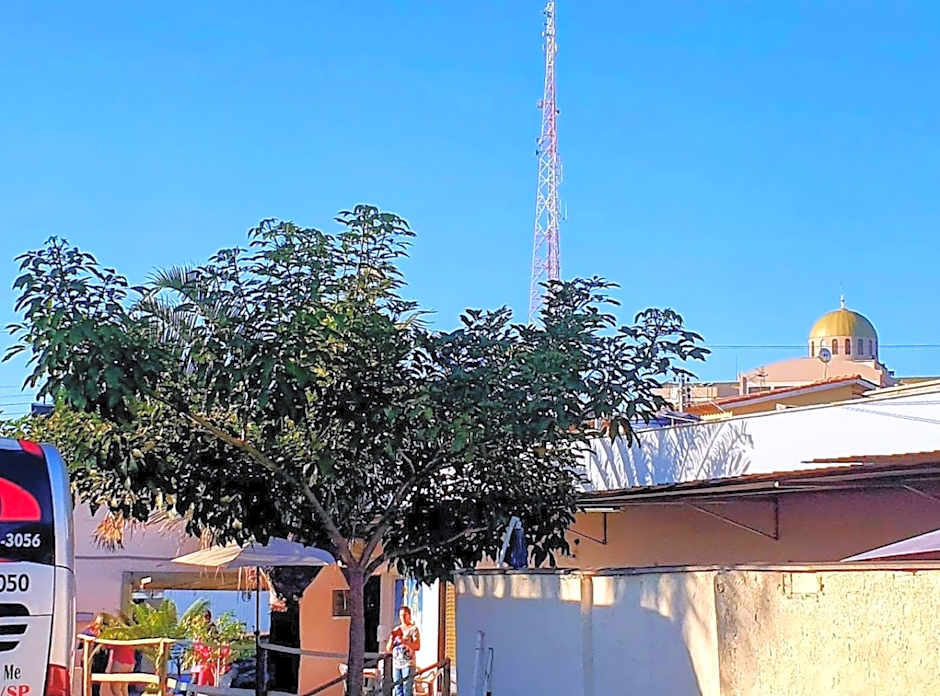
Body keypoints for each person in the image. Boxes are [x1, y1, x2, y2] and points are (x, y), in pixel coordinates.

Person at [385, 606, 420, 696]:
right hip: (397, 664)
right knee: (397, 688)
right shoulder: (397, 629)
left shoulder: (413, 629)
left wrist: (404, 641)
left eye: (405, 615)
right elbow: (388, 649)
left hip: (408, 663)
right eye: (401, 615)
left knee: (407, 688)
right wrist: (392, 638)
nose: (403, 617)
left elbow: (417, 646)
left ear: (409, 615)